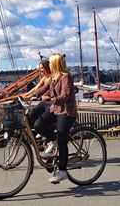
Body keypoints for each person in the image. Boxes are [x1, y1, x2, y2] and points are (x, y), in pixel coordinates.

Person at [32, 53, 77, 183]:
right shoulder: (53, 77)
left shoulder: (65, 77)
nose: (49, 65)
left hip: (66, 111)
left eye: (51, 63)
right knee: (38, 125)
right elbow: (43, 89)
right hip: (55, 109)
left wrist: (51, 99)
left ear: (56, 64)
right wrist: (28, 95)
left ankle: (62, 171)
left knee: (62, 138)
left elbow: (65, 96)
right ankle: (53, 140)